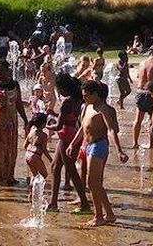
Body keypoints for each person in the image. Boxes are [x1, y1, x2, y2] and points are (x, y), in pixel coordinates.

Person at [67, 80, 128, 227]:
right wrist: (72, 144)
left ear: (95, 94)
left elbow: (112, 129)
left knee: (92, 183)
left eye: (87, 95)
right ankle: (110, 214)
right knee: (96, 184)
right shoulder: (88, 106)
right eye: (83, 95)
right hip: (88, 145)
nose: (84, 98)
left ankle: (98, 216)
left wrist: (119, 150)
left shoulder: (103, 109)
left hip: (98, 145)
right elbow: (83, 128)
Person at [47, 74, 91, 213]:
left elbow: (59, 125)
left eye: (59, 89)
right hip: (73, 134)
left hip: (66, 136)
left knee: (70, 169)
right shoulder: (79, 100)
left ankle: (84, 203)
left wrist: (49, 125)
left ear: (64, 88)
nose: (58, 92)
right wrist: (55, 116)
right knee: (55, 167)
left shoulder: (67, 102)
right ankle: (53, 203)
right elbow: (69, 119)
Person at [132, 46, 153, 149]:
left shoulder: (142, 63)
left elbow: (138, 77)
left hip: (140, 92)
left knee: (138, 119)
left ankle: (135, 143)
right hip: (152, 93)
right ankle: (151, 144)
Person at [24, 113, 52, 194]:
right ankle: (38, 194)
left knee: (35, 175)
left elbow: (24, 145)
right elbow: (44, 149)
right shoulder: (44, 135)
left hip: (28, 154)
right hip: (35, 156)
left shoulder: (31, 132)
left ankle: (30, 193)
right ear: (43, 124)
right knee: (44, 175)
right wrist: (50, 159)